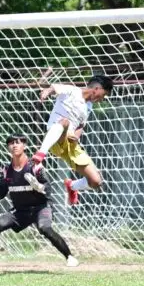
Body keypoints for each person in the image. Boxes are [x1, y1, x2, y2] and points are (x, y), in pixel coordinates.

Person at [0, 134, 79, 267]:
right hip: (20, 210)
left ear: (24, 145)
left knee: (45, 228)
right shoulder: (6, 170)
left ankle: (69, 257)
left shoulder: (35, 166)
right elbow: (0, 194)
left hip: (40, 207)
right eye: (11, 143)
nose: (14, 145)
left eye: (18, 142)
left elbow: (48, 189)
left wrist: (38, 186)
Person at [31, 75, 114, 204]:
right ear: (97, 89)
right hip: (56, 138)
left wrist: (76, 137)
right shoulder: (73, 91)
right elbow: (54, 87)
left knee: (96, 181)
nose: (102, 99)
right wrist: (47, 92)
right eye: (104, 95)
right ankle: (40, 154)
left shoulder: (89, 106)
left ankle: (72, 186)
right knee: (64, 122)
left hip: (70, 145)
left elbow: (81, 125)